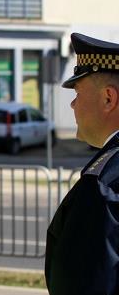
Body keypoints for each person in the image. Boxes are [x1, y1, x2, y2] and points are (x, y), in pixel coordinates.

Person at [45, 33, 119, 295]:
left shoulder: (105, 183)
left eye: (77, 92)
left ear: (108, 99)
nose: (73, 104)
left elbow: (84, 282)